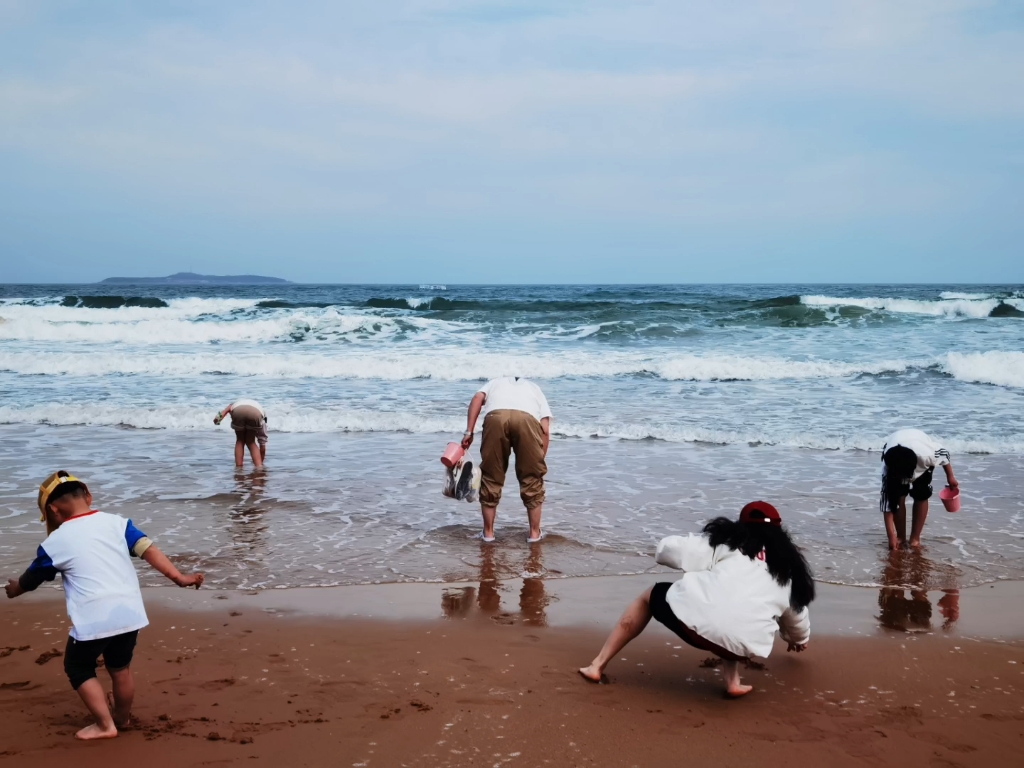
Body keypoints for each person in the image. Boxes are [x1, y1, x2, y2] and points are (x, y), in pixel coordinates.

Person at [4, 471, 204, 740]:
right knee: (120, 668)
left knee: (78, 667)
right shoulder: (117, 524)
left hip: (94, 619)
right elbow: (148, 549)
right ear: (88, 495)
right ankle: (121, 717)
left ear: (52, 510)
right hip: (128, 613)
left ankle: (104, 725)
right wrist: (179, 577)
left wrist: (14, 589)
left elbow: (31, 579)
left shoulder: (55, 542)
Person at [578, 501, 814, 698]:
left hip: (695, 625)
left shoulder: (727, 543)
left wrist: (698, 557)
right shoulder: (787, 569)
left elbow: (666, 550)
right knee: (732, 609)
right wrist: (799, 639)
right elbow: (797, 613)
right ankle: (733, 683)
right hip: (745, 647)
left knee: (650, 595)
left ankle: (596, 665)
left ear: (740, 524)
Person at [461, 377, 552, 543]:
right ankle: (534, 534)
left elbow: (477, 398)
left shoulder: (495, 383)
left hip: (496, 417)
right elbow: (545, 429)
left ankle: (488, 534)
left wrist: (469, 431)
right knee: (532, 480)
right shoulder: (534, 388)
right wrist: (538, 461)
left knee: (490, 477)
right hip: (527, 419)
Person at [880, 428, 958, 550]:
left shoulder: (927, 455)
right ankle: (901, 538)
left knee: (921, 493)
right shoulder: (888, 466)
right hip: (896, 449)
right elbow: (887, 504)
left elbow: (945, 454)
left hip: (919, 447)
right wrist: (891, 536)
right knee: (897, 495)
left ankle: (915, 539)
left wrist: (950, 477)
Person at [214, 399, 268, 468]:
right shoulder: (260, 410)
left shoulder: (234, 404)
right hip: (255, 413)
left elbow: (224, 412)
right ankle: (259, 466)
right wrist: (261, 460)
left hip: (238, 411)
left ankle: (239, 468)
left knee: (240, 440)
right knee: (251, 442)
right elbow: (262, 444)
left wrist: (217, 420)